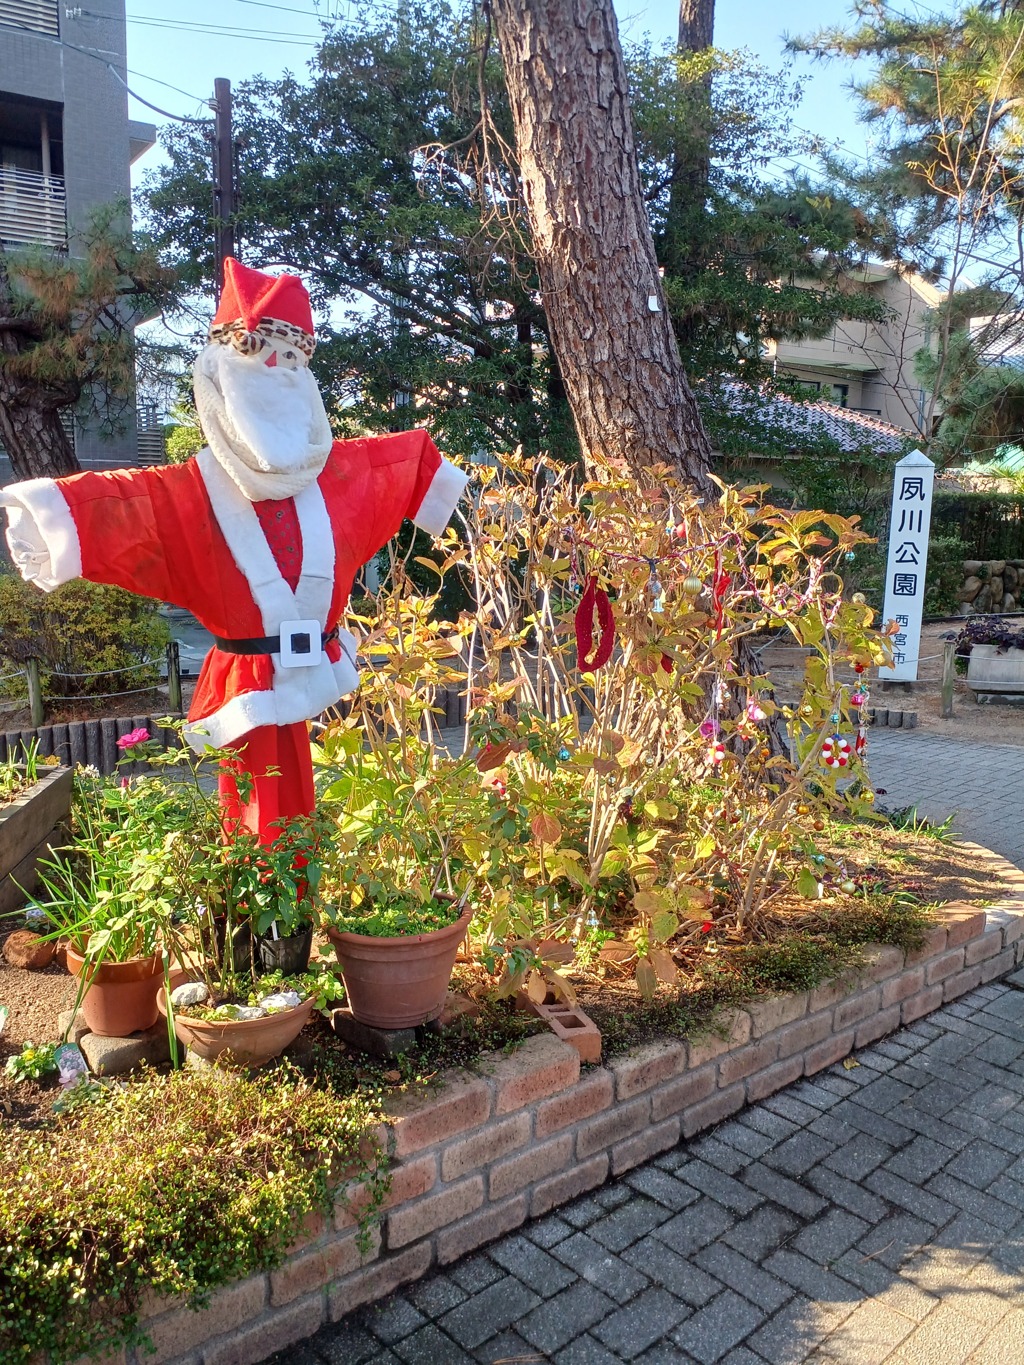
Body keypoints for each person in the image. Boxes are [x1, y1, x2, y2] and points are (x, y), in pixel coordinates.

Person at [0, 257, 468, 841]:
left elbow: (395, 461)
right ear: (223, 364)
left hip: (315, 667)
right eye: (259, 353)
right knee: (253, 824)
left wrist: (459, 489)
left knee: (306, 812)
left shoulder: (335, 474)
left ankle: (289, 913)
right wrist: (44, 509)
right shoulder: (187, 494)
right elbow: (125, 505)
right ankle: (262, 924)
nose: (277, 368)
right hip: (244, 679)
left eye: (292, 358)